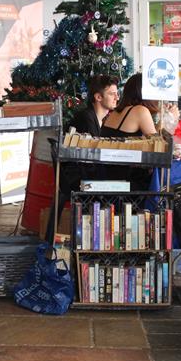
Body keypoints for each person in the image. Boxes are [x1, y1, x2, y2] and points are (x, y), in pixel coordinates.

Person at [46, 75, 120, 241]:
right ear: (98, 97)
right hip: (77, 179)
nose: (117, 97)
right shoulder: (86, 118)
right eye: (112, 94)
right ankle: (102, 239)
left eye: (117, 93)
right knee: (124, 186)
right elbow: (94, 155)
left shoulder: (98, 118)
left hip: (82, 174)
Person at [99, 72, 162, 191]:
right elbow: (157, 147)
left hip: (107, 176)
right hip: (125, 184)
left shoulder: (115, 112)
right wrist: (169, 120)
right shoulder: (140, 111)